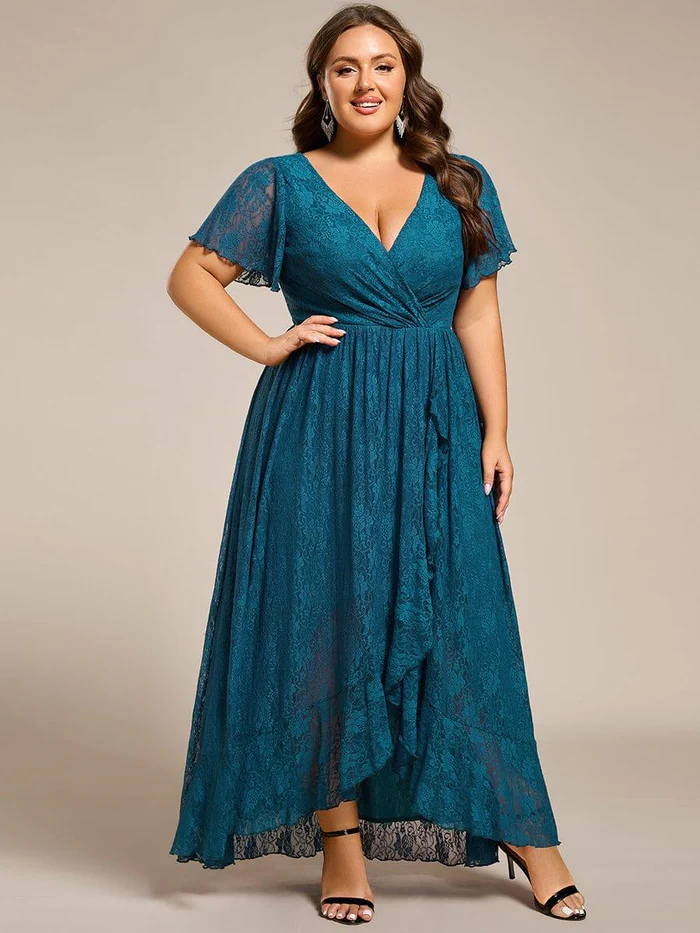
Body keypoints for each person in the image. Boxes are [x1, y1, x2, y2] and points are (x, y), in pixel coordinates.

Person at [165, 3, 587, 925]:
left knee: (463, 617)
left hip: (436, 421)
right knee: (327, 618)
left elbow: (478, 310)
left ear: (408, 78)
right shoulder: (278, 182)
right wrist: (268, 345)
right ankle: (342, 842)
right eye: (346, 67)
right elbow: (189, 276)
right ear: (322, 84)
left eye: (383, 64)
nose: (366, 82)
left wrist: (498, 431)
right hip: (318, 425)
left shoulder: (462, 182)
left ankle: (527, 830)